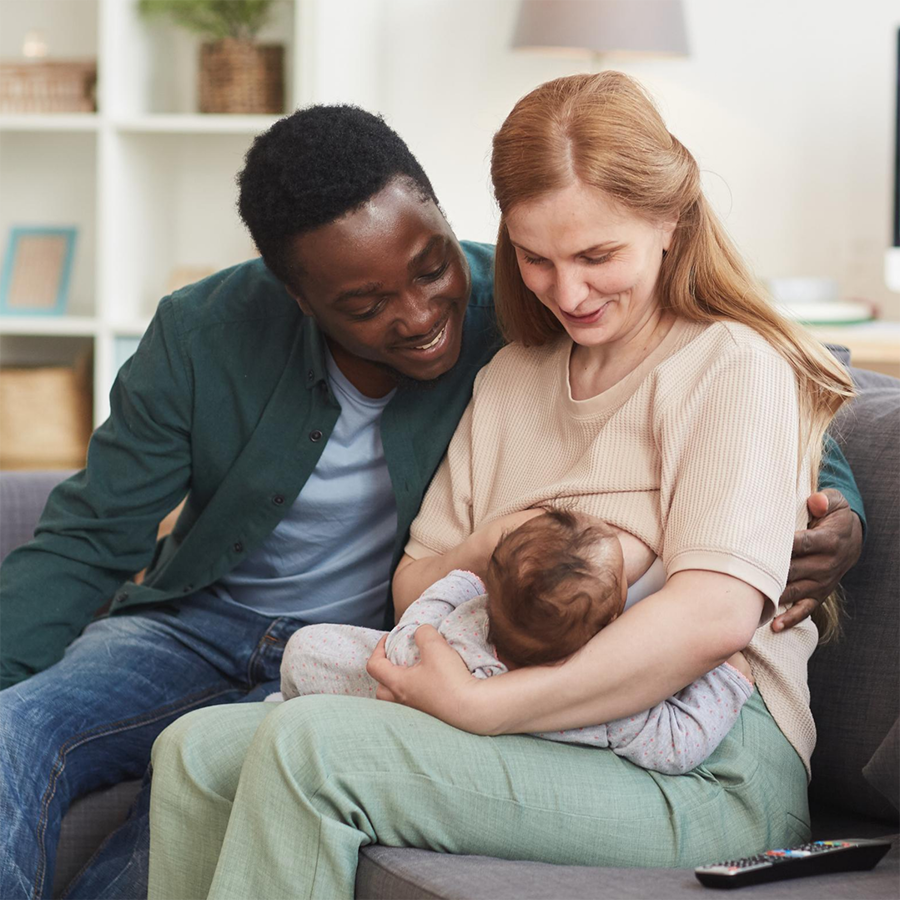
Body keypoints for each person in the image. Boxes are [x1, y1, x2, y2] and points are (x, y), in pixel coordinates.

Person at [0, 101, 860, 900]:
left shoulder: (725, 362)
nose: (566, 292)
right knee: (191, 747)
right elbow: (416, 584)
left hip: (701, 757)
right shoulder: (514, 369)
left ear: (671, 222)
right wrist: (493, 545)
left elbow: (736, 562)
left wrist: (838, 511)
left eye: (597, 257)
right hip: (487, 702)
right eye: (537, 258)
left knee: (310, 746)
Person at [277, 507, 755, 774]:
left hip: (422, 703)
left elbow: (415, 625)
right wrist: (732, 670)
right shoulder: (610, 707)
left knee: (308, 649)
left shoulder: (458, 634)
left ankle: (286, 703)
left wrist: (464, 586)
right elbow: (678, 743)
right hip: (515, 745)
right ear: (616, 616)